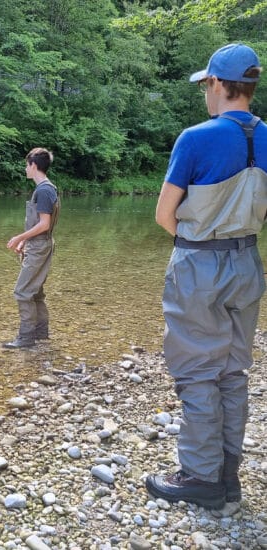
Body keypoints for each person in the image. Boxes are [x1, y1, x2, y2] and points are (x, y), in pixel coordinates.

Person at [147, 43, 267, 510]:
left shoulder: (195, 138)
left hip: (200, 264)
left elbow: (164, 215)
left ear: (218, 84)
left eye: (206, 85)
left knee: (198, 370)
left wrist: (197, 243)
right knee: (232, 371)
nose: (204, 93)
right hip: (248, 263)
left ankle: (200, 477)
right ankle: (227, 477)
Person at [3, 147, 60, 349]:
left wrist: (19, 236)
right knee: (35, 292)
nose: (25, 169)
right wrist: (25, 242)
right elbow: (42, 227)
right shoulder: (48, 188)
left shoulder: (44, 190)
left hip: (40, 246)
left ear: (33, 165)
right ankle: (40, 334)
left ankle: (26, 338)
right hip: (40, 244)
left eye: (26, 165)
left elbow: (44, 224)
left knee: (23, 291)